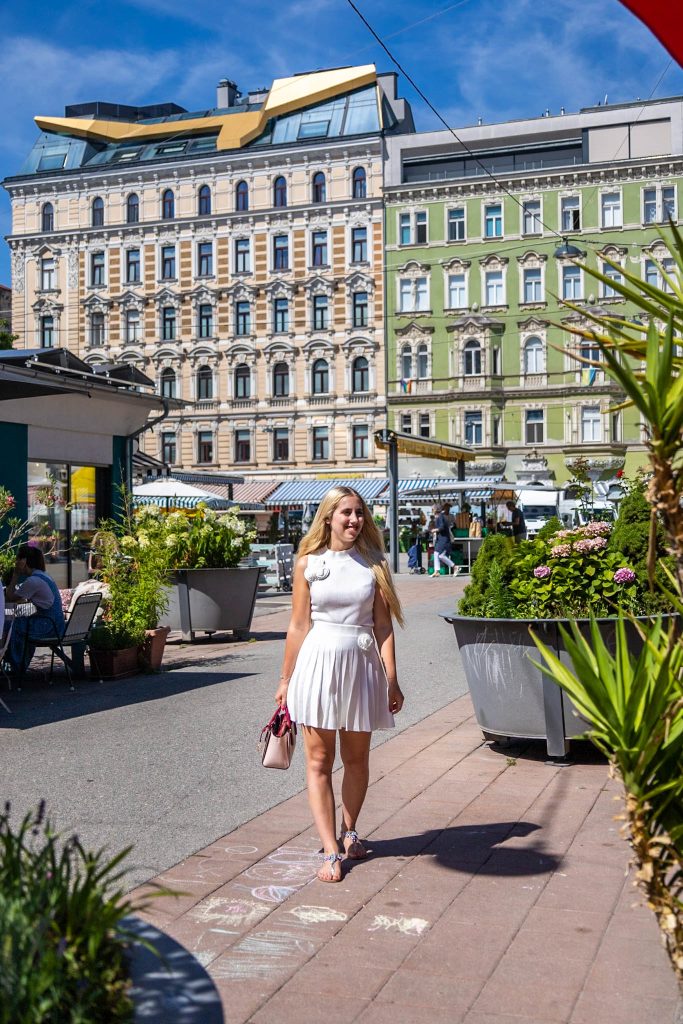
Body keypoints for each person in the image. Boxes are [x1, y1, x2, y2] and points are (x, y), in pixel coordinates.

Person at [275, 486, 405, 883]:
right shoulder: (308, 563)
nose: (354, 520)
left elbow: (383, 626)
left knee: (357, 759)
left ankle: (350, 831)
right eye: (346, 512)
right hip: (316, 665)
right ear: (328, 517)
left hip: (362, 666)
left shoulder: (374, 563)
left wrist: (392, 679)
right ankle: (330, 849)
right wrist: (285, 680)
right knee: (319, 761)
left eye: (359, 512)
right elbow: (298, 625)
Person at [4, 544, 65, 674]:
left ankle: (16, 665)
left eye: (18, 559)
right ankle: (19, 664)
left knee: (12, 625)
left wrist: (15, 574)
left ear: (24, 561)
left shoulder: (33, 581)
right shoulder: (44, 576)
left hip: (48, 627)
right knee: (16, 619)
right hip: (56, 624)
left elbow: (9, 598)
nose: (16, 562)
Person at [430, 502, 456, 577]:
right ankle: (436, 571)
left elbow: (442, 527)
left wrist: (435, 530)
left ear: (436, 510)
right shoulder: (438, 517)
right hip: (440, 539)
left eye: (432, 509)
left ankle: (454, 567)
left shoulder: (441, 516)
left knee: (441, 556)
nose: (432, 510)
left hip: (444, 539)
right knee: (436, 554)